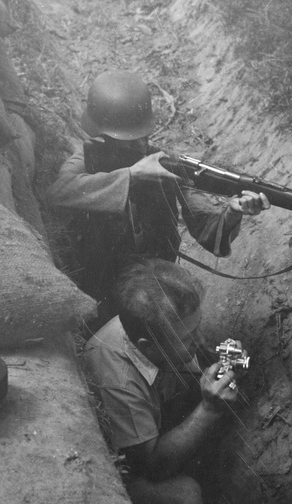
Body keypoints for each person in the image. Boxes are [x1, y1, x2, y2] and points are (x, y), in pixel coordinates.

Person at [48, 69, 270, 326]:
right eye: (125, 140)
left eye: (140, 137)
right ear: (102, 136)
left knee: (177, 312)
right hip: (100, 287)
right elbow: (58, 192)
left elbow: (208, 231)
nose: (137, 146)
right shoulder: (86, 161)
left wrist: (233, 213)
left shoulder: (164, 163)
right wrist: (131, 176)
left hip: (154, 278)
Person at [84, 258, 245, 504]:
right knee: (184, 498)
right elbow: (151, 465)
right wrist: (208, 408)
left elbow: (197, 345)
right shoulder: (118, 379)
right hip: (123, 468)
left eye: (197, 327)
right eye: (189, 337)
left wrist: (226, 357)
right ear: (147, 348)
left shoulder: (159, 329)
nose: (200, 339)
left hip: (154, 416)